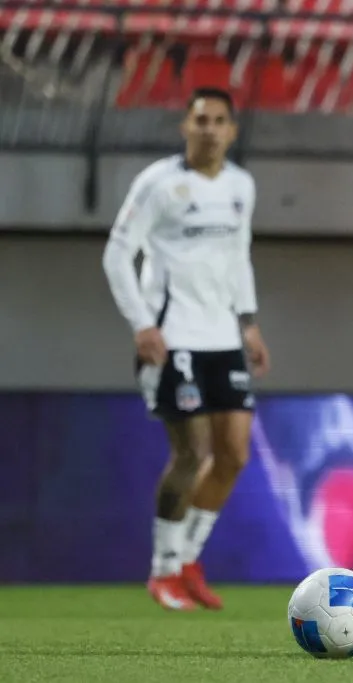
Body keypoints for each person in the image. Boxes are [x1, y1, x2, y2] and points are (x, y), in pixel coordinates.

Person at [102, 87, 270, 611]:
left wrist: (248, 323)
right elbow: (117, 252)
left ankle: (188, 562)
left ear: (232, 130)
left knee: (234, 455)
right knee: (191, 452)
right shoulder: (158, 183)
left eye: (219, 120)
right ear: (185, 125)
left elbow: (238, 255)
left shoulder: (242, 185)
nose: (209, 129)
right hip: (174, 339)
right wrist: (142, 324)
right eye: (200, 119)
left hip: (223, 337)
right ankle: (161, 572)